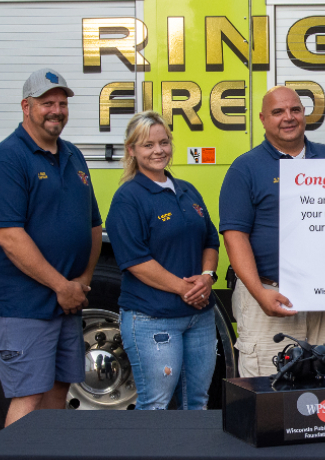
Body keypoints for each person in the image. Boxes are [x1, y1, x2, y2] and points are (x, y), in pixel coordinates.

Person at [0, 68, 102, 426]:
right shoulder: (8, 158)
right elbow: (9, 236)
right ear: (26, 106)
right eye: (47, 102)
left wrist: (81, 281)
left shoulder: (72, 155)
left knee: (58, 390)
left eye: (62, 103)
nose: (57, 110)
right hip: (26, 304)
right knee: (28, 395)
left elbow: (93, 225)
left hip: (66, 302)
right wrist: (61, 286)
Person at [220, 85, 325, 377]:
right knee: (270, 393)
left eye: (295, 110)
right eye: (278, 112)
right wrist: (260, 293)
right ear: (264, 119)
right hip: (269, 294)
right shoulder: (245, 169)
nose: (288, 117)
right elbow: (234, 237)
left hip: (324, 300)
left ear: (304, 114)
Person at [106, 111, 220, 410]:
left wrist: (207, 276)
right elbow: (136, 261)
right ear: (132, 150)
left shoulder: (187, 190)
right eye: (147, 145)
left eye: (164, 142)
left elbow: (210, 240)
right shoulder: (128, 198)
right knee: (156, 404)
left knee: (196, 402)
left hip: (199, 318)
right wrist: (186, 289)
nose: (158, 150)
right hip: (153, 319)